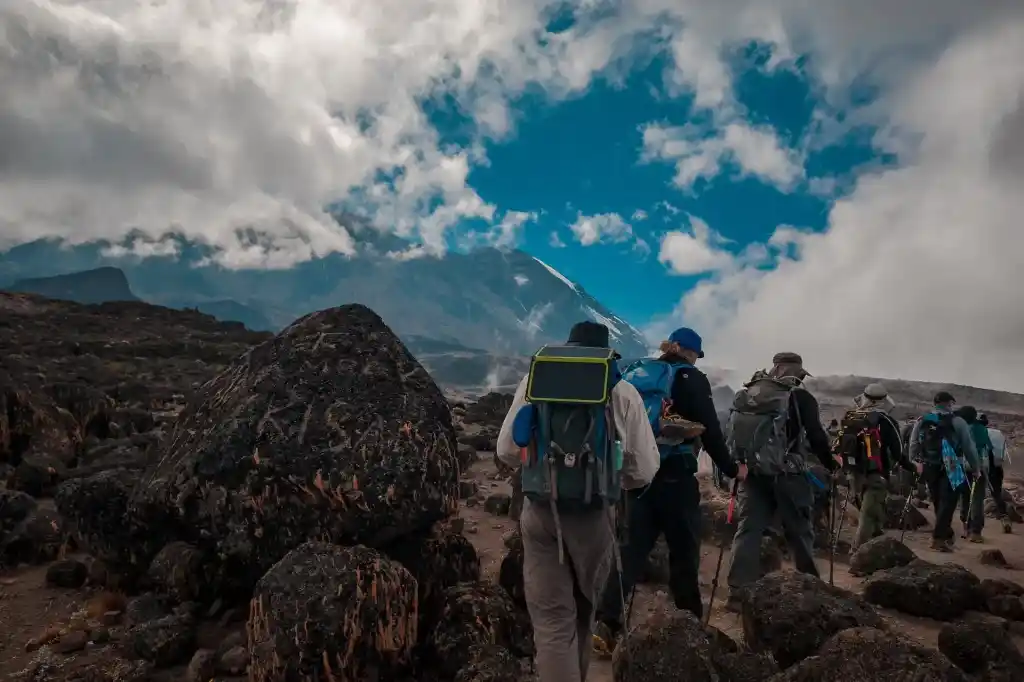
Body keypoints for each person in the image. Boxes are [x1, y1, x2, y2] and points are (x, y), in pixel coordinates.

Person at [497, 321, 660, 682]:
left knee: (553, 620)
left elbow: (507, 450)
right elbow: (644, 470)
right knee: (584, 611)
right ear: (606, 354)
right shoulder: (622, 391)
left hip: (540, 511)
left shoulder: (535, 381)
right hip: (595, 516)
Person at [593, 327, 738, 646]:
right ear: (688, 352)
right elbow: (711, 432)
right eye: (695, 356)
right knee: (684, 552)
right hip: (675, 475)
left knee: (631, 550)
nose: (695, 361)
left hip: (636, 475)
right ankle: (690, 626)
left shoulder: (639, 373)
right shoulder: (692, 379)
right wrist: (731, 470)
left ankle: (605, 622)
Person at [724, 352, 835, 610]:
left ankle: (737, 592)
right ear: (796, 372)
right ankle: (810, 587)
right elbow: (817, 436)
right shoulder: (801, 397)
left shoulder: (750, 393)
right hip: (788, 475)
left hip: (752, 473)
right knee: (799, 530)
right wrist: (830, 463)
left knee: (749, 529)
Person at [836, 383, 920, 551]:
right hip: (876, 474)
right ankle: (858, 553)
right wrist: (913, 468)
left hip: (853, 473)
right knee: (869, 515)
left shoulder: (851, 416)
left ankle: (875, 545)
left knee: (869, 510)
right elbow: (898, 453)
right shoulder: (886, 421)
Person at [909, 391, 979, 552]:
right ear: (949, 403)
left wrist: (913, 463)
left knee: (938, 501)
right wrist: (976, 468)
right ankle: (938, 538)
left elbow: (914, 444)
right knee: (948, 502)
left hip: (929, 465)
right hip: (952, 466)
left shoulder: (923, 420)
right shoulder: (958, 421)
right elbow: (969, 447)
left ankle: (945, 535)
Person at [981, 414, 1013, 533]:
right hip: (996, 468)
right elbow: (1004, 454)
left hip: (981, 466)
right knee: (997, 494)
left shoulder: (976, 432)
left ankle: (974, 527)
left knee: (976, 495)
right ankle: (1004, 518)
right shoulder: (998, 434)